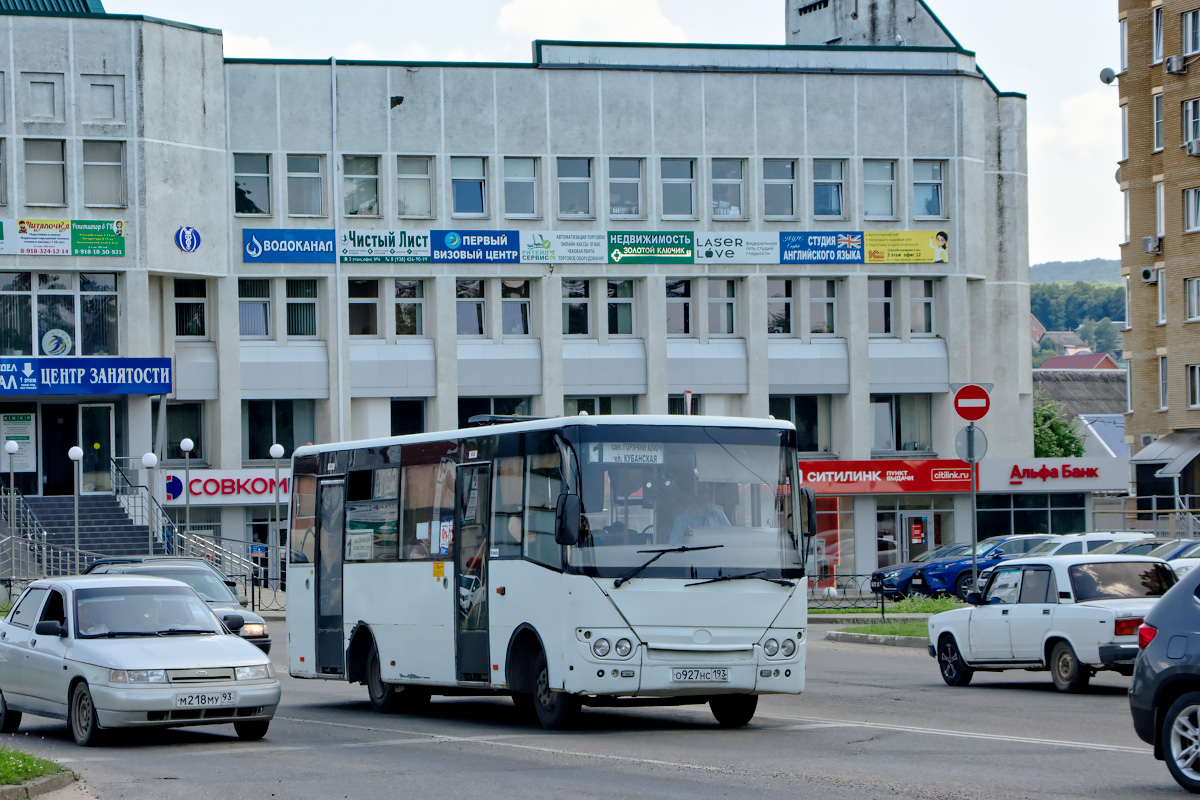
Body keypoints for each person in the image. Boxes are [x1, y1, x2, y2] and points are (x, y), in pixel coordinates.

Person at [669, 477, 730, 544]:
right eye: (700, 491)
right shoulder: (681, 519)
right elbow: (673, 545)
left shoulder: (719, 516)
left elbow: (730, 541)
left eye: (706, 491)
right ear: (693, 494)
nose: (703, 494)